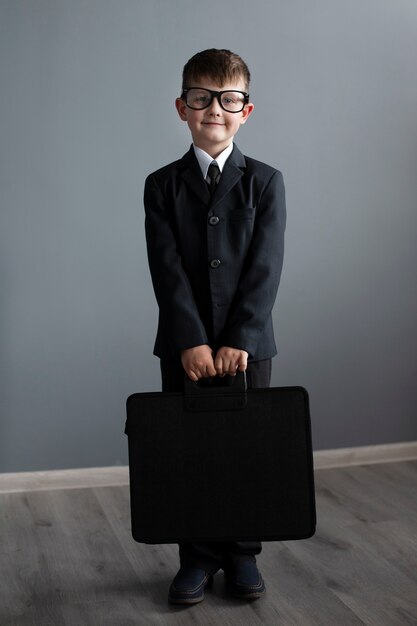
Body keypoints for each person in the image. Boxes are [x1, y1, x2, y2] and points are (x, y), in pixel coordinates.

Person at [143, 48, 286, 605]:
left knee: (246, 450)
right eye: (201, 99)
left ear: (245, 110)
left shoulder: (266, 183)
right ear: (183, 107)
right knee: (191, 453)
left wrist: (239, 341)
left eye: (228, 100)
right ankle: (197, 558)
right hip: (185, 348)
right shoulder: (162, 185)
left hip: (251, 347)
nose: (214, 110)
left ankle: (243, 554)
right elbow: (167, 269)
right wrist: (192, 341)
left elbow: (265, 270)